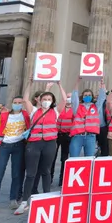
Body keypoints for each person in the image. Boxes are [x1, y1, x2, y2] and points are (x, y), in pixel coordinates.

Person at [14, 78, 67, 215]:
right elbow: (25, 100)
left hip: (49, 144)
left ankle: (47, 198)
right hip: (34, 144)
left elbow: (65, 100)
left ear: (52, 101)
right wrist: (29, 83)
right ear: (39, 100)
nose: (47, 101)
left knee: (46, 171)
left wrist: (60, 85)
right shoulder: (33, 111)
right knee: (30, 173)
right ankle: (25, 202)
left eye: (49, 99)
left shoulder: (55, 111)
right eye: (45, 98)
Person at [0, 96, 30, 214]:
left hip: (19, 146)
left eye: (19, 102)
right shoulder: (4, 116)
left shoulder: (26, 115)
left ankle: (13, 199)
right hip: (4, 146)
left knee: (16, 174)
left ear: (23, 104)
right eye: (15, 102)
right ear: (12, 103)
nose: (17, 104)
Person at [69, 77, 106, 157]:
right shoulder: (77, 107)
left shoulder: (96, 107)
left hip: (91, 137)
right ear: (82, 97)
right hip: (77, 136)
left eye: (89, 95)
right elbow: (74, 97)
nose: (87, 96)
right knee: (73, 158)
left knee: (89, 160)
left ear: (92, 96)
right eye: (85, 95)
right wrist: (77, 82)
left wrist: (102, 84)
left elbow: (102, 97)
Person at [51, 92, 73, 186]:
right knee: (52, 157)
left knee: (64, 158)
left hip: (68, 135)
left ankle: (62, 178)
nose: (68, 99)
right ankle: (49, 177)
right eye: (67, 97)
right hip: (57, 134)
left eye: (70, 97)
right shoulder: (59, 108)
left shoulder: (74, 109)